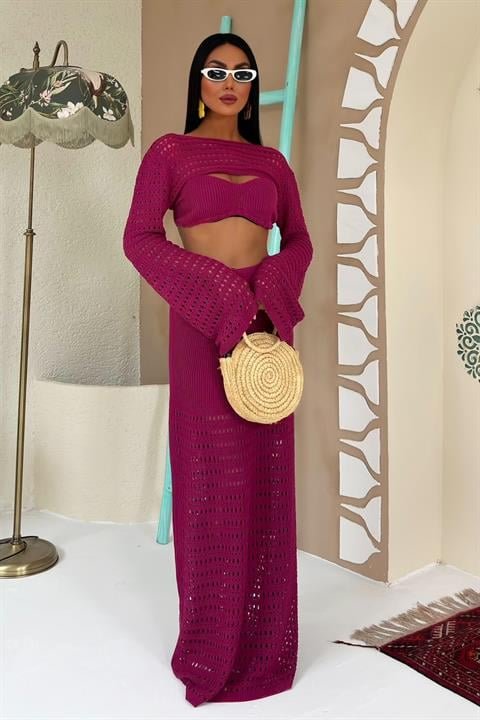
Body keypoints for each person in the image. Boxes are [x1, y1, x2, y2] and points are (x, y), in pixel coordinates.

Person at [123, 32, 313, 707]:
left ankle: (264, 645)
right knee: (209, 482)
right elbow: (138, 237)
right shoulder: (170, 153)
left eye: (242, 73)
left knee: (266, 476)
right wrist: (221, 290)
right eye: (216, 70)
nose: (230, 82)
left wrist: (268, 289)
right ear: (199, 82)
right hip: (203, 330)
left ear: (252, 87)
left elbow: (300, 240)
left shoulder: (272, 163)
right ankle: (211, 643)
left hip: (265, 334)